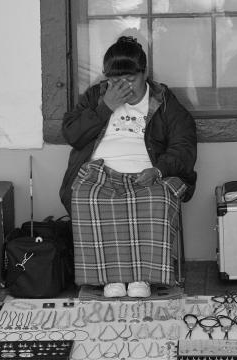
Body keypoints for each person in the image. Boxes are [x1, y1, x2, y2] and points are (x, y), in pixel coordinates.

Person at [60, 36, 197, 298]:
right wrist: (105, 107)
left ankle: (142, 278)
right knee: (86, 195)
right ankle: (108, 278)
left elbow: (184, 143)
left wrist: (159, 170)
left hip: (149, 172)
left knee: (157, 198)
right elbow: (72, 135)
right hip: (100, 171)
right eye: (115, 80)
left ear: (144, 73)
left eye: (130, 79)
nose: (123, 87)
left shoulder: (164, 100)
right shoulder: (96, 96)